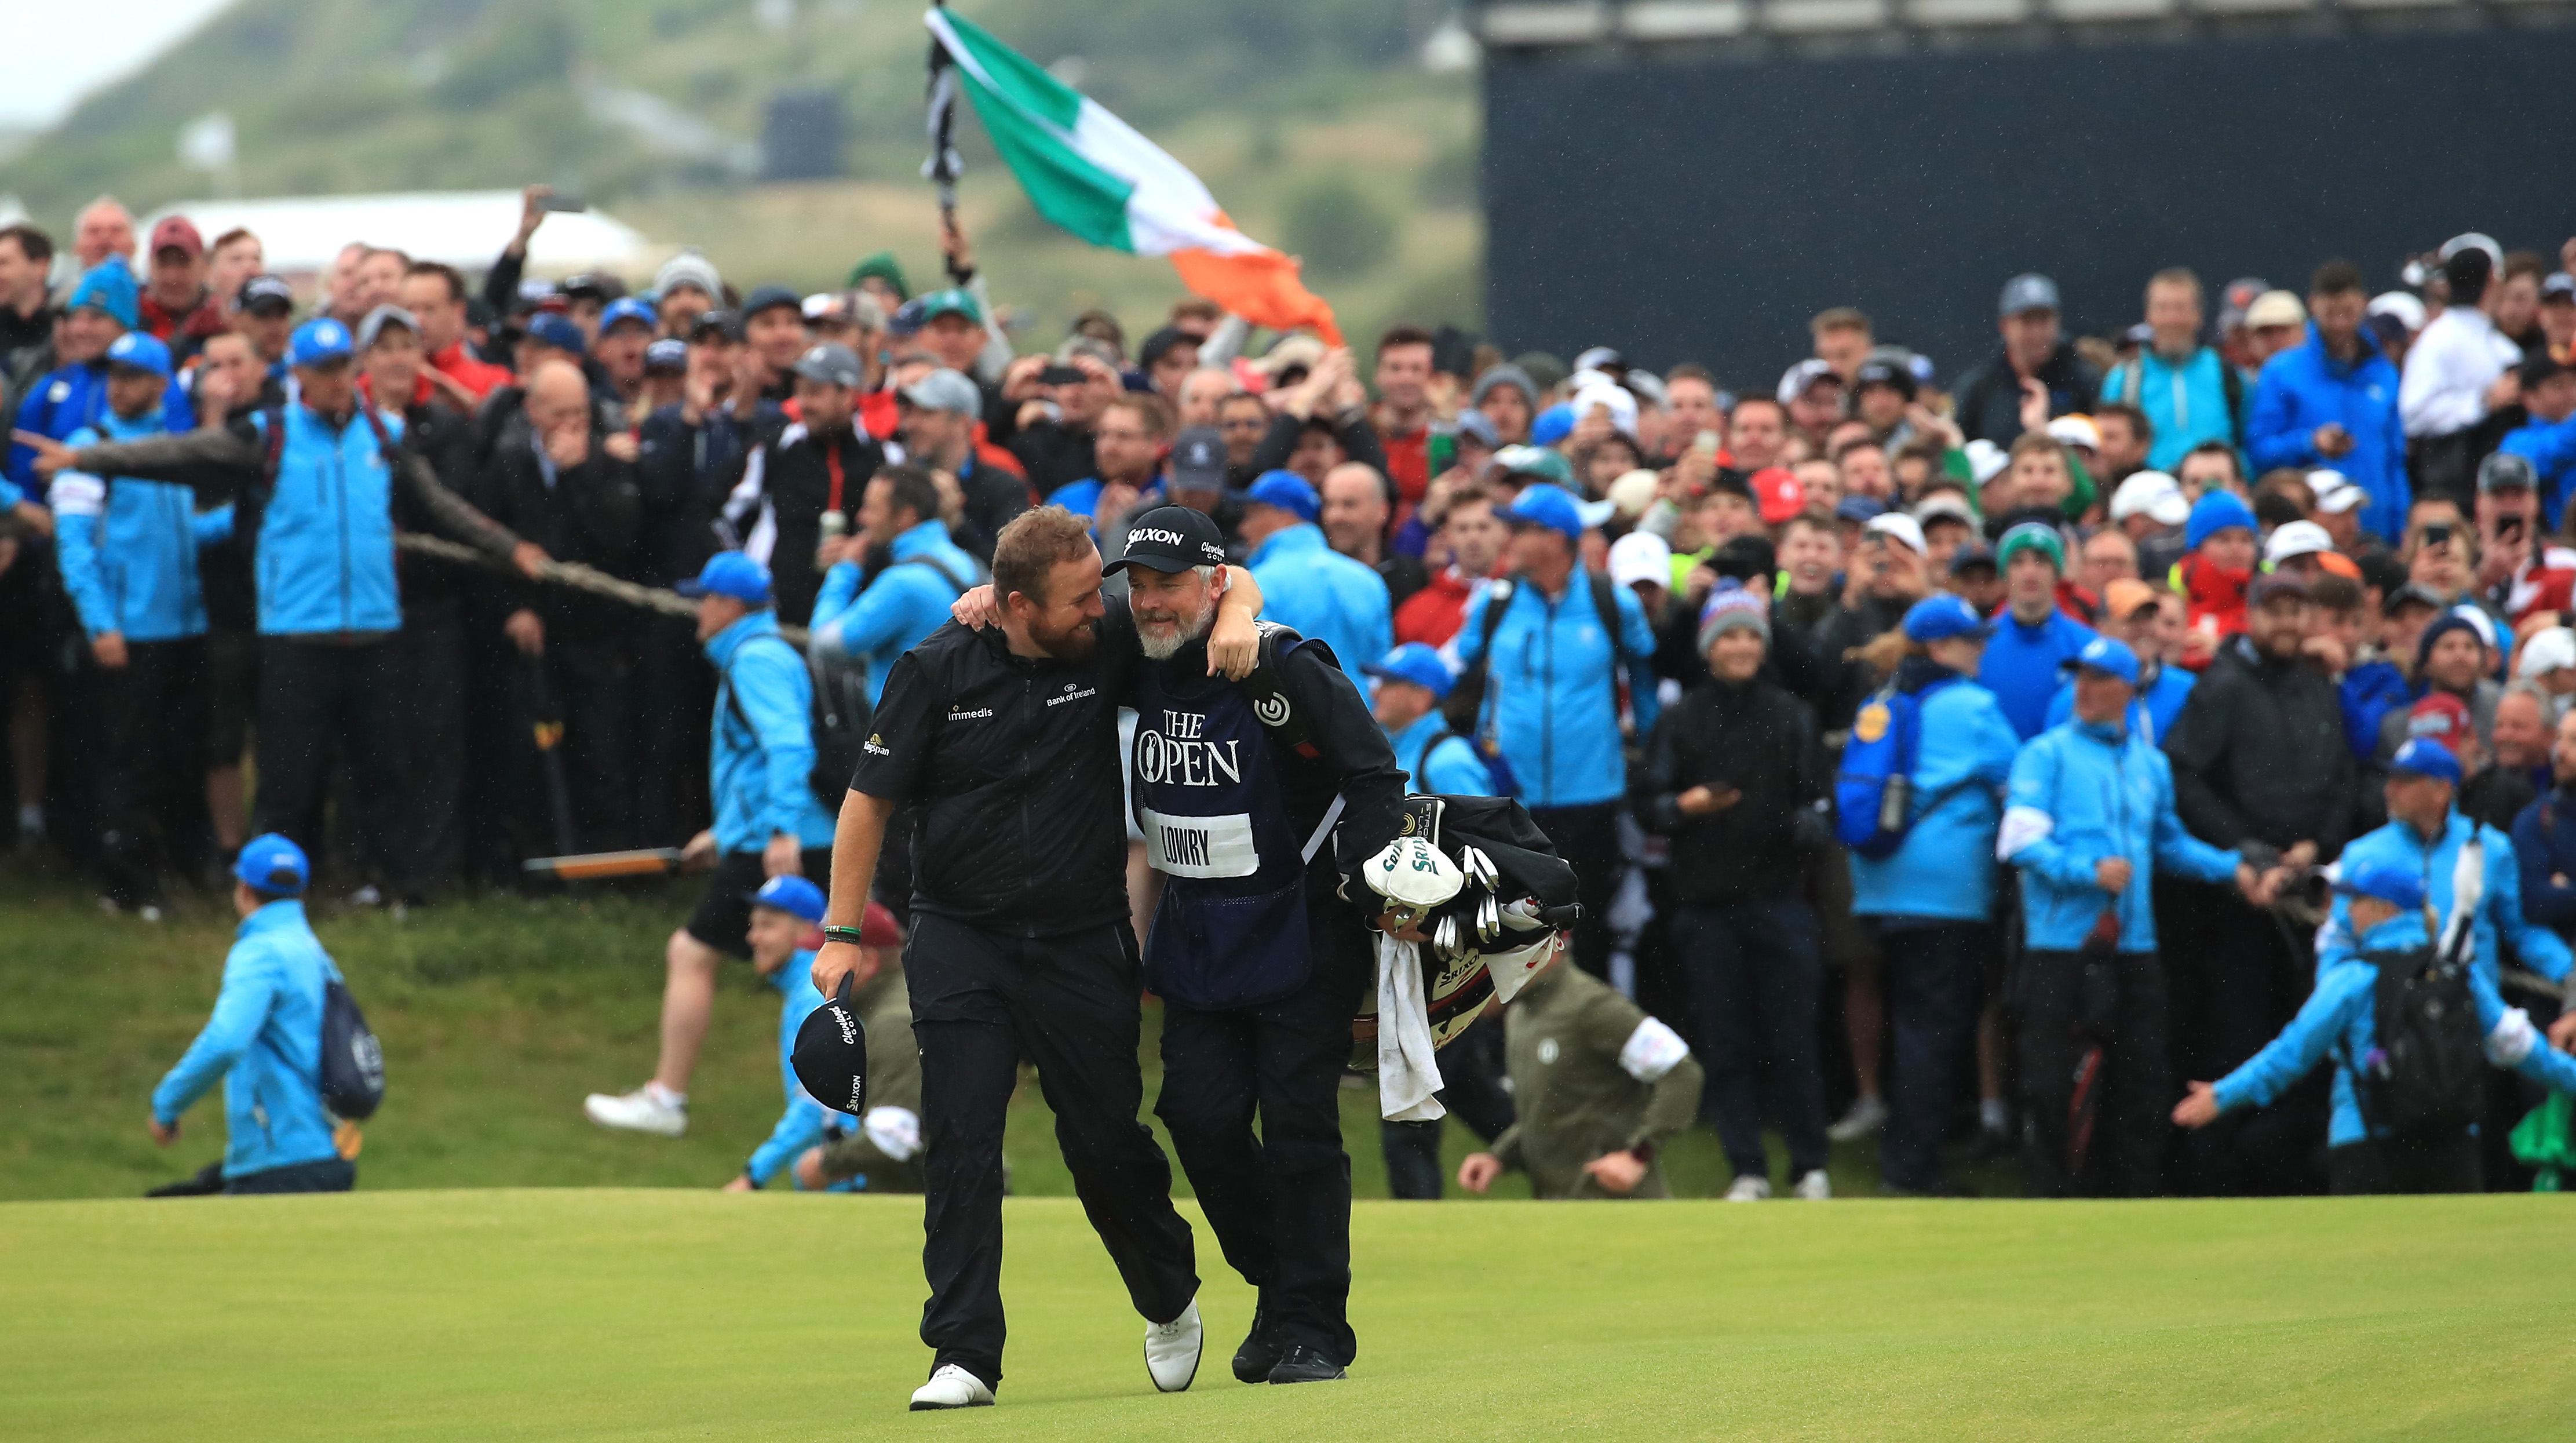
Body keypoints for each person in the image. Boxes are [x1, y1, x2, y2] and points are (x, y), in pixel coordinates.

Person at [813, 507, 1260, 1409]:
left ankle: (1166, 1288)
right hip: (961, 936)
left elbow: (1225, 586)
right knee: (963, 1139)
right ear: (1016, 604)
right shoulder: (934, 666)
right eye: (1077, 597)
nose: (1100, 608)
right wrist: (838, 932)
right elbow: (867, 802)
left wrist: (1243, 612)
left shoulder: (1098, 647)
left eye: (1100, 587)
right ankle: (963, 1352)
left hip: (1079, 937)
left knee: (1101, 1142)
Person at [25, 317, 539, 882]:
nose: (336, 380)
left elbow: (441, 507)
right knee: (287, 779)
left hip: (373, 631)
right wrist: (86, 459)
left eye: (343, 367)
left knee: (386, 772)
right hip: (296, 636)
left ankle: (392, 886)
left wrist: (509, 547)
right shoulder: (268, 435)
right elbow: (182, 452)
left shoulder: (383, 433)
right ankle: (272, 887)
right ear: (298, 376)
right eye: (322, 371)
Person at [1109, 506, 1409, 1385]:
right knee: (1196, 1119)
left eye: (1168, 585)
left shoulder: (1284, 660)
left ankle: (1315, 1324)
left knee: (1298, 1128)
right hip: (1198, 931)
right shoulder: (1140, 648)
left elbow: (1372, 773)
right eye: (1138, 585)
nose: (1150, 603)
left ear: (1208, 581)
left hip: (1304, 924)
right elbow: (1053, 625)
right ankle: (1280, 1287)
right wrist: (984, 597)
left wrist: (1366, 887)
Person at [2177, 777, 2576, 1193]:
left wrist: (2222, 1096)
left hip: (2364, 1144)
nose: (2345, 911)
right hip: (2453, 1145)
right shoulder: (2460, 973)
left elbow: (2291, 1056)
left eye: (2355, 900)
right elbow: (2525, 1051)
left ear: (2382, 909)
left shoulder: (2353, 978)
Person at [2002, 635, 2281, 1197]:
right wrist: (2087, 871)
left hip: (2136, 948)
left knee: (2141, 1080)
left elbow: (2170, 846)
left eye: (2099, 679)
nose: (2085, 689)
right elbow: (2019, 842)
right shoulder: (2046, 754)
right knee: (2051, 1080)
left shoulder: (2149, 765)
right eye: (2080, 677)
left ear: (2128, 689)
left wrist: (2233, 869)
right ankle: (2051, 1197)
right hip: (2063, 946)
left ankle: (2132, 1195)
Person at [582, 553, 839, 1138]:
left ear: (726, 606)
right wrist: (725, 835)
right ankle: (833, 1111)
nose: (698, 612)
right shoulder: (758, 655)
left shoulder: (756, 660)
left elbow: (789, 747)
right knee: (815, 972)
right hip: (773, 838)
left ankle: (667, 1099)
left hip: (783, 844)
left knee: (694, 954)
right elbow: (755, 764)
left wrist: (778, 831)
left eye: (705, 600)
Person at [1638, 584, 1831, 1200]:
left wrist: (1798, 825)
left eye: (1751, 634)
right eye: (1729, 636)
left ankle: (1810, 1165)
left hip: (1781, 900)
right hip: (1705, 906)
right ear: (1709, 648)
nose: (1742, 645)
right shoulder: (1682, 718)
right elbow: (1650, 804)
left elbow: (1819, 805)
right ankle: (1746, 1167)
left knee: (1795, 1038)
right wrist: (1685, 806)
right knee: (1725, 1042)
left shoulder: (1792, 715)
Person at [1846, 594, 2023, 1194]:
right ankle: (1910, 1168)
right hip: (1946, 891)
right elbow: (2018, 776)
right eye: (1973, 640)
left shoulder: (1884, 701)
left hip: (1880, 885)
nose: (1982, 649)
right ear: (1943, 649)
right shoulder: (1975, 707)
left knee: (1910, 1020)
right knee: (1932, 1026)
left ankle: (1906, 1150)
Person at [48, 330, 229, 915]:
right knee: (128, 760)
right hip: (128, 631)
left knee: (178, 754)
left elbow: (187, 532)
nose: (118, 386)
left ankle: (169, 868)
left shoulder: (171, 446)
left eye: (131, 376)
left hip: (183, 626)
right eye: (113, 376)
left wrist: (239, 514)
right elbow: (74, 546)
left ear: (158, 385)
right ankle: (124, 882)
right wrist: (102, 624)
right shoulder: (87, 445)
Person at [1454, 482, 1659, 976]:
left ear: (1555, 539)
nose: (1511, 539)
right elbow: (1461, 667)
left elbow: (1646, 675)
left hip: (1592, 793)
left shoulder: (1612, 602)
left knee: (1588, 925)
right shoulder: (1496, 602)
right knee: (1509, 927)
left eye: (1522, 529)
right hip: (1510, 798)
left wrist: (1650, 749)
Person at [148, 834, 357, 1195]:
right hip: (328, 1149)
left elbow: (226, 1042)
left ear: (243, 890)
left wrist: (167, 1104)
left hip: (282, 1158)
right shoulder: (314, 952)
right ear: (302, 894)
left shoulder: (260, 952)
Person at [1455, 936, 1705, 1200]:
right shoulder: (1520, 1014)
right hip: (1557, 1212)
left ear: (1554, 942)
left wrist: (1638, 1155)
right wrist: (1501, 1157)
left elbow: (1682, 1072)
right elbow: (1549, 1108)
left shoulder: (1594, 1006)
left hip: (1618, 1208)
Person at [718, 341, 885, 627]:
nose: (803, 404)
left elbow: (899, 534)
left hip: (851, 617)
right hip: (776, 613)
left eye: (815, 392)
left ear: (848, 395)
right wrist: (751, 580)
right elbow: (729, 519)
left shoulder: (884, 457)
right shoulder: (777, 447)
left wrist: (862, 548)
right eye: (800, 391)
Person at [2246, 260, 2409, 546]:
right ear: (2313, 306)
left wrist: (2401, 526)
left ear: (2363, 304)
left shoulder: (2385, 374)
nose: (2339, 322)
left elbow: (2394, 460)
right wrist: (2311, 443)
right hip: (2309, 537)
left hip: (2376, 533)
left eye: (2346, 310)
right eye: (2331, 312)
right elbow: (2259, 451)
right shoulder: (2282, 372)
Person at [810, 464, 979, 704]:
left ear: (906, 516)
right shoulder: (968, 563)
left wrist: (845, 570)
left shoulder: (902, 584)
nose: (861, 517)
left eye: (871, 508)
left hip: (904, 732)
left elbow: (824, 645)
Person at [790, 898, 925, 1194]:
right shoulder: (904, 1004)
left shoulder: (895, 1023)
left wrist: (824, 1164)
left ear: (869, 962)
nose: (816, 971)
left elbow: (892, 1138)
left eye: (827, 958)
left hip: (937, 1206)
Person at [2401, 238, 2523, 506]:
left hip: (2500, 485)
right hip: (2454, 491)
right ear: (2493, 280)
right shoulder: (2439, 339)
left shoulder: (2497, 342)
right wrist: (2483, 402)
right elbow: (2414, 414)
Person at [1240, 470, 1392, 680]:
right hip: (1359, 710)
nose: (1243, 528)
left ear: (1284, 516)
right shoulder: (1369, 580)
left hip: (1294, 710)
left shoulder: (1256, 584)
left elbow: (1253, 669)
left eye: (1252, 516)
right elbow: (1381, 673)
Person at [2100, 269, 2242, 471]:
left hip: (2213, 488)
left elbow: (2247, 441)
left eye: (2180, 308)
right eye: (2162, 308)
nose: (2171, 319)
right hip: (2148, 491)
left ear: (2198, 315)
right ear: (2148, 316)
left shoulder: (2227, 373)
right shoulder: (2123, 379)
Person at [1951, 274, 2104, 446]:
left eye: (2044, 320)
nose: (2037, 332)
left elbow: (2103, 455)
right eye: (2027, 321)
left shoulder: (2085, 381)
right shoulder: (1979, 388)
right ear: (2004, 325)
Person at [1977, 522, 2097, 740]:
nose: (2030, 572)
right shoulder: (1979, 644)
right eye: (2018, 562)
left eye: (2041, 561)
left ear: (2057, 573)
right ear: (2005, 574)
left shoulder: (2087, 645)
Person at [1395, 485, 1507, 646]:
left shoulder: (1523, 598)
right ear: (1448, 535)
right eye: (1463, 529)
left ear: (1503, 531)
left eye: (1483, 527)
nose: (1473, 537)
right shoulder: (1416, 611)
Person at [1320, 461, 1428, 608]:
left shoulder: (1410, 579)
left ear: (1382, 511)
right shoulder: (1313, 579)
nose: (1335, 516)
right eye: (1329, 504)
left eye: (1349, 504)